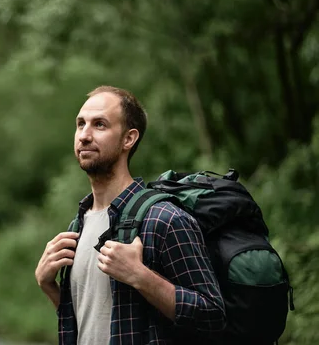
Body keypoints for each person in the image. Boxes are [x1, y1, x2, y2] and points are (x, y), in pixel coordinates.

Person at [35, 86, 226, 345]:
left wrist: (140, 276)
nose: (85, 136)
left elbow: (212, 317)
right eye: (81, 124)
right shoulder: (78, 225)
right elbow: (90, 321)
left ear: (129, 139)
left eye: (99, 125)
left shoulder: (163, 219)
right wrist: (49, 286)